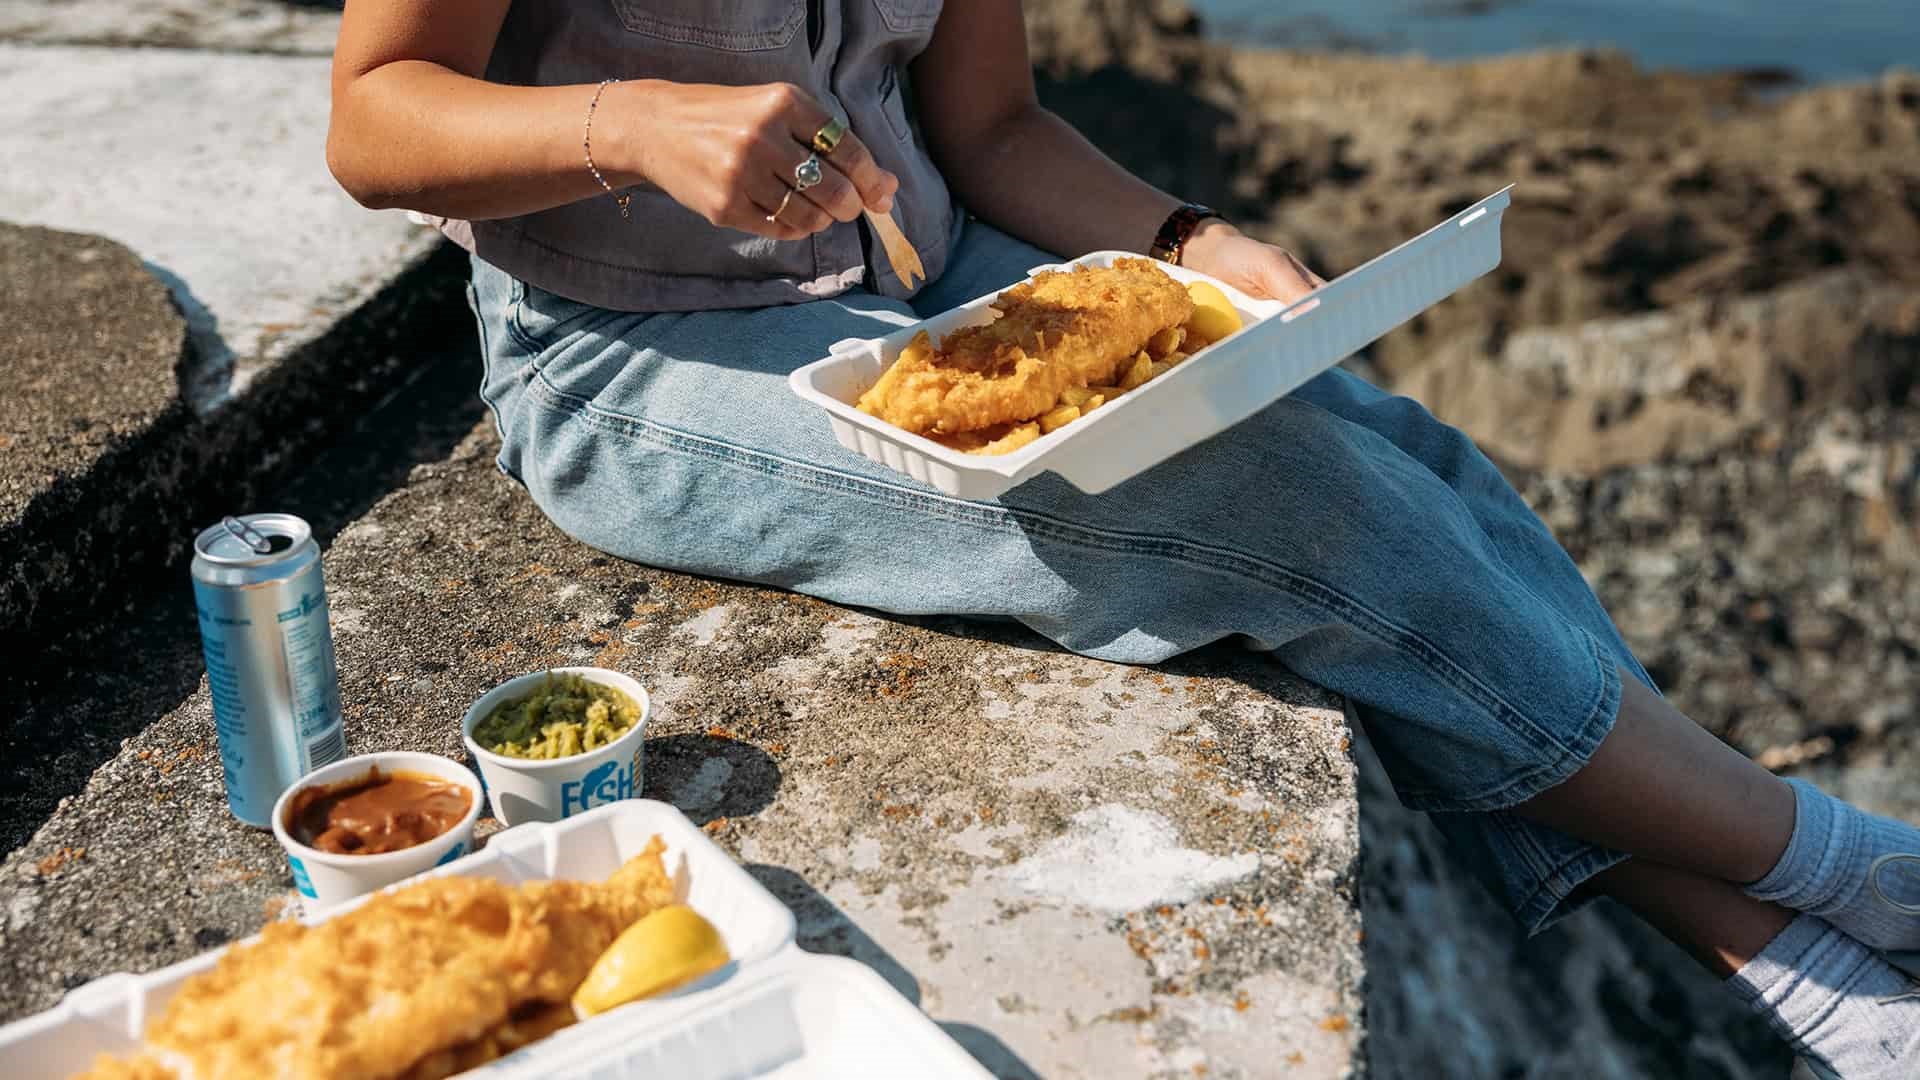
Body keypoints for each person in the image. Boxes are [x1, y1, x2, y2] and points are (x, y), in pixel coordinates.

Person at [324, 3, 1919, 1073]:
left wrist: (1199, 245)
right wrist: (636, 123)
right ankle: (1842, 868)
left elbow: (994, 125)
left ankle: (1771, 959)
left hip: (921, 294)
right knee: (1292, 507)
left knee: (1398, 442)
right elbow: (375, 121)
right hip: (626, 364)